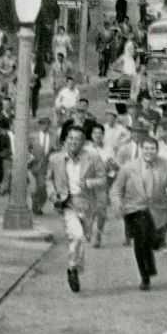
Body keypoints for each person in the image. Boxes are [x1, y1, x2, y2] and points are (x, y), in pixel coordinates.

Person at [110, 134, 167, 290]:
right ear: (141, 149)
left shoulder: (166, 165)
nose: (149, 152)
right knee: (141, 239)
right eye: (146, 148)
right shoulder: (128, 168)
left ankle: (150, 262)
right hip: (135, 209)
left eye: (152, 149)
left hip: (158, 210)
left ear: (157, 150)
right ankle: (144, 277)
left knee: (151, 241)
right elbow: (116, 189)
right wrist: (117, 204)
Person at [46, 124, 94, 292]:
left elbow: (102, 178)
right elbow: (49, 180)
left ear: (84, 142)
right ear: (65, 140)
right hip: (67, 203)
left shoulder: (91, 158)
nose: (74, 142)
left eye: (78, 139)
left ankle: (75, 267)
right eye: (71, 138)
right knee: (77, 236)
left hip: (87, 204)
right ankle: (72, 269)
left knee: (83, 238)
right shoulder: (55, 159)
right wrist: (53, 195)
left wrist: (90, 183)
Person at [29, 114, 54, 215]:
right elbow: (27, 149)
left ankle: (38, 204)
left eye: (47, 124)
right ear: (39, 125)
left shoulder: (53, 136)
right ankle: (36, 205)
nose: (45, 126)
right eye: (43, 124)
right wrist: (30, 157)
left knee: (42, 187)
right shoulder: (33, 136)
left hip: (45, 166)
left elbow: (56, 150)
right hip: (33, 165)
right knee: (36, 188)